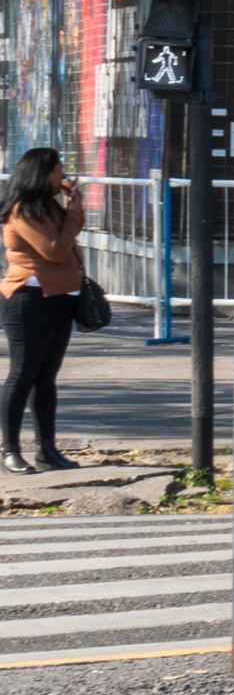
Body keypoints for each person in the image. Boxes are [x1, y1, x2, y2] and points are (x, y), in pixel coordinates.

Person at [0, 150, 81, 475]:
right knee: (23, 375)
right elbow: (57, 250)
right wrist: (74, 210)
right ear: (42, 173)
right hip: (29, 301)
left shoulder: (48, 205)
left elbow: (68, 234)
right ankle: (10, 451)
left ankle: (47, 449)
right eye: (59, 170)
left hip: (60, 298)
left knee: (46, 378)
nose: (63, 176)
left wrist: (70, 204)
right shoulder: (22, 211)